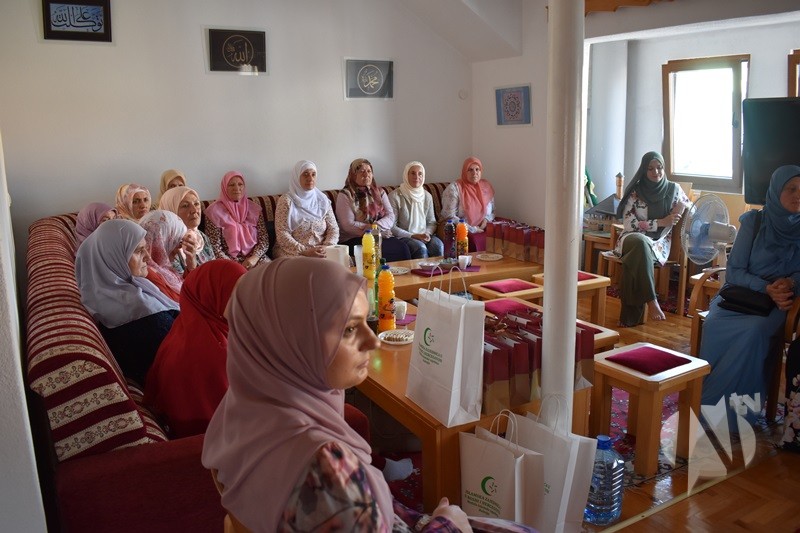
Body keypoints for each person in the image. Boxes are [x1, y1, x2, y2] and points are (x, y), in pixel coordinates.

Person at [202, 257, 537, 532]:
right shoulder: (326, 471)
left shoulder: (241, 412)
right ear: (290, 341)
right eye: (349, 329)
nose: (372, 340)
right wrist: (448, 525)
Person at [700, 164, 800, 413]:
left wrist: (791, 282)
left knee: (753, 332)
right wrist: (766, 287)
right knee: (713, 324)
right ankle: (706, 401)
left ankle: (736, 413)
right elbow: (734, 271)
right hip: (739, 295)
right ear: (775, 190)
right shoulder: (754, 222)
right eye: (791, 188)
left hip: (776, 304)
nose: (798, 195)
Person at [144, 259, 247, 438]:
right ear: (210, 296)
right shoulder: (213, 353)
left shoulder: (188, 329)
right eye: (236, 295)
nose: (247, 302)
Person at [75, 219, 179, 386]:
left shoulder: (100, 296)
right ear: (112, 258)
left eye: (145, 248)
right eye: (138, 251)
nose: (148, 257)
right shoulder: (142, 314)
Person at [612, 151, 690, 326]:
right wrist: (660, 222)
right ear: (644, 170)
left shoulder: (674, 189)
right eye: (650, 169)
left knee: (635, 258)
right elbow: (628, 224)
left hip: (658, 243)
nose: (656, 172)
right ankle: (652, 300)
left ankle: (630, 318)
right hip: (631, 238)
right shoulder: (635, 192)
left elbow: (692, 208)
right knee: (639, 243)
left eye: (659, 167)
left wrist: (682, 205)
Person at [335, 158, 411, 261]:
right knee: (379, 250)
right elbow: (347, 225)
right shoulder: (345, 195)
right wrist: (373, 231)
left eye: (369, 171)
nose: (366, 174)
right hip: (355, 238)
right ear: (353, 174)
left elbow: (390, 216)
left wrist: (375, 228)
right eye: (361, 171)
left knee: (402, 248)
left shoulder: (380, 192)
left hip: (379, 234)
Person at [272, 160, 339, 258]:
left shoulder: (322, 199)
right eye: (305, 174)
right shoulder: (286, 200)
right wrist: (305, 251)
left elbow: (333, 228)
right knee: (309, 264)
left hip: (322, 249)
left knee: (344, 259)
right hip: (293, 251)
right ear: (296, 177)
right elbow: (282, 233)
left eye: (313, 174)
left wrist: (327, 247)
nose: (310, 178)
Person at [204, 171, 271, 269]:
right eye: (231, 185)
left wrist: (254, 258)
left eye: (240, 184)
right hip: (228, 261)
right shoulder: (214, 212)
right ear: (224, 187)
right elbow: (215, 247)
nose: (237, 188)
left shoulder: (254, 209)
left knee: (272, 271)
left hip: (255, 258)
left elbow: (264, 240)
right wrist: (234, 266)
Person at [389, 161, 443, 259]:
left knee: (438, 246)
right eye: (413, 173)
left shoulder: (427, 196)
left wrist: (427, 234)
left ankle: (439, 270)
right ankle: (421, 269)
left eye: (420, 174)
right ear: (406, 175)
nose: (416, 177)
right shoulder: (395, 196)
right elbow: (391, 226)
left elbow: (431, 222)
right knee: (420, 248)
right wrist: (412, 235)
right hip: (404, 237)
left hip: (424, 234)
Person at [139, 210, 197, 302]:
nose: (179, 249)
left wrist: (191, 266)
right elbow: (185, 300)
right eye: (176, 242)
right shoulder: (148, 274)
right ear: (161, 241)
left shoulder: (162, 269)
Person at [440, 156, 496, 252]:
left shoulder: (486, 187)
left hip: (483, 227)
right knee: (474, 240)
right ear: (464, 172)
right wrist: (472, 229)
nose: (474, 173)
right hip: (462, 228)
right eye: (470, 170)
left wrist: (486, 220)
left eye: (477, 169)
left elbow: (493, 211)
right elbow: (449, 216)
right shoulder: (454, 189)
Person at [158, 186, 215, 274]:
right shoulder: (169, 246)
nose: (194, 210)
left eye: (196, 204)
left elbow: (214, 268)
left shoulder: (200, 236)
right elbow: (178, 281)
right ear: (171, 211)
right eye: (185, 206)